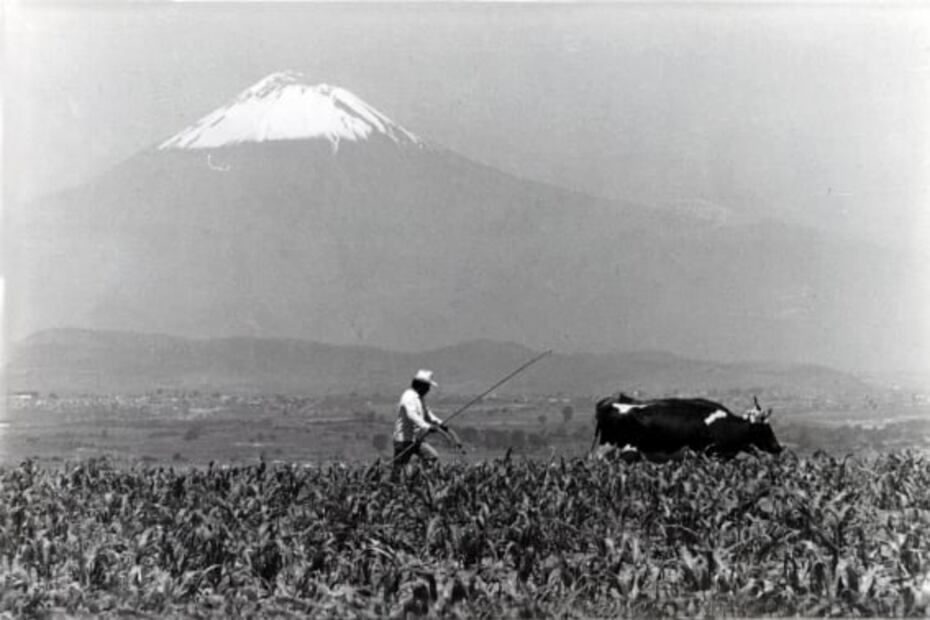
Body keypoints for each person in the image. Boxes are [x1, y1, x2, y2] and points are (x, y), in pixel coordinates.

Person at [392, 369, 447, 466]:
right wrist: (427, 427)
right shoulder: (408, 397)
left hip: (417, 439)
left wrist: (439, 423)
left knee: (432, 457)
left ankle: (420, 476)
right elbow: (412, 415)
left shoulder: (420, 398)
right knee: (399, 467)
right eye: (427, 387)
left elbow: (428, 414)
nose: (428, 390)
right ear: (421, 386)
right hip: (404, 440)